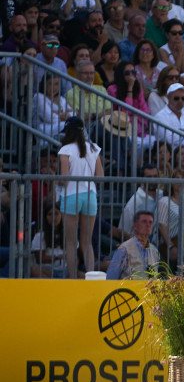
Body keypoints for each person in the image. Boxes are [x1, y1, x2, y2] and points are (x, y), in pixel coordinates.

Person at [57, 116, 102, 278]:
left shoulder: (65, 150)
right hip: (90, 196)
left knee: (70, 241)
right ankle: (91, 276)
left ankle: (73, 276)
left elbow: (64, 178)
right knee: (86, 241)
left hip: (71, 195)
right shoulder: (94, 148)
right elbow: (100, 176)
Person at [106, 211, 159, 280]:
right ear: (135, 226)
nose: (148, 225)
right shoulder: (124, 249)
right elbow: (111, 277)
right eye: (144, 221)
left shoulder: (154, 250)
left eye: (150, 222)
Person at [154, 83, 184, 151]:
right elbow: (169, 139)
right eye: (176, 98)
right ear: (168, 97)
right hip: (171, 158)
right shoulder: (160, 117)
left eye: (183, 98)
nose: (180, 101)